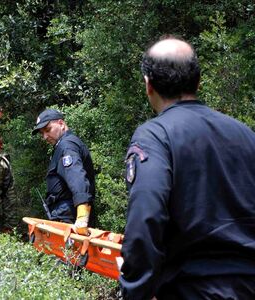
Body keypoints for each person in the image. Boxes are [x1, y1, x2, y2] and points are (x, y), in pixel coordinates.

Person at [119, 36, 255, 299]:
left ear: (148, 85)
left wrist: (135, 289)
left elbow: (147, 214)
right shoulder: (245, 134)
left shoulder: (155, 135)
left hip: (192, 289)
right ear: (198, 81)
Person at [32, 109, 95, 235]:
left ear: (61, 124)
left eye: (48, 130)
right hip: (64, 213)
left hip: (68, 216)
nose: (45, 137)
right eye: (42, 133)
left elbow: (76, 176)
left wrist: (82, 216)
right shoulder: (63, 145)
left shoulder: (67, 145)